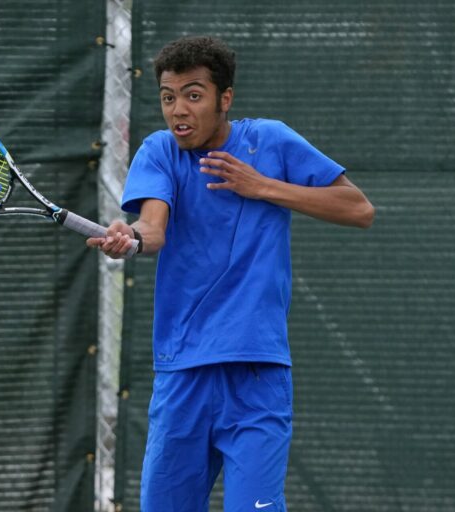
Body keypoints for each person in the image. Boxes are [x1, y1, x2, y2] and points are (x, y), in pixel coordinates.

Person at [87, 35, 374, 512]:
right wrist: (131, 238)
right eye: (168, 96)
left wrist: (263, 186)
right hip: (183, 373)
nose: (178, 109)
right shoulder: (159, 151)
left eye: (193, 95)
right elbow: (152, 229)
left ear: (225, 99)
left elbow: (359, 208)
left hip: (257, 374)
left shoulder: (271, 141)